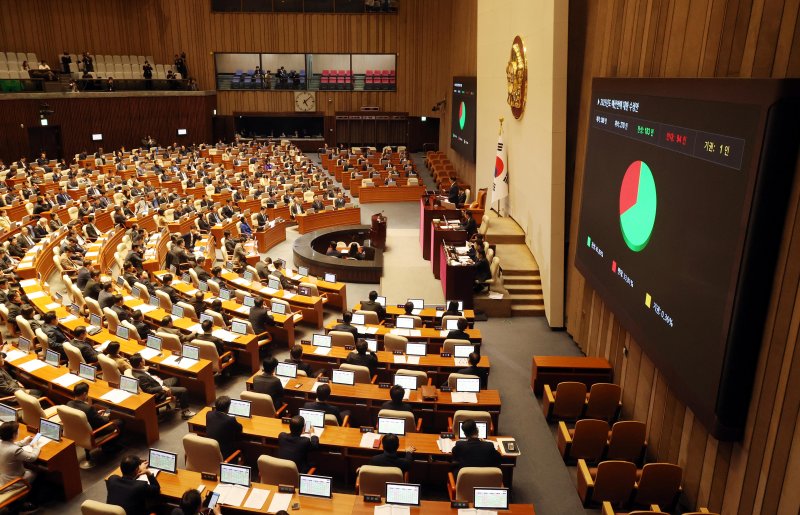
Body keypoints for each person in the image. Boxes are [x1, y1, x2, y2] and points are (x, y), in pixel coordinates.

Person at [130, 354, 195, 419]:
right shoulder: (141, 377)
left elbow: (144, 377)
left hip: (159, 384)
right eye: (143, 359)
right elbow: (148, 390)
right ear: (140, 363)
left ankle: (178, 403)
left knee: (176, 379)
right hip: (159, 392)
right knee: (184, 390)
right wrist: (162, 388)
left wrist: (144, 369)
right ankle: (185, 413)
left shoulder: (135, 370)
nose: (144, 360)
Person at [0, 420, 45, 486]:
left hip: (3, 477)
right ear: (14, 434)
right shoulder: (15, 450)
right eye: (17, 431)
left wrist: (23, 442)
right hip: (13, 482)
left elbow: (10, 445)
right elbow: (32, 458)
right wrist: (36, 446)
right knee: (36, 473)